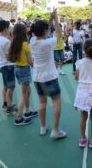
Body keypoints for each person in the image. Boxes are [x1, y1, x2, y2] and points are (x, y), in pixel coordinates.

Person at [30, 9, 67, 139]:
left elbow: (44, 30)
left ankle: (43, 126)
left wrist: (50, 19)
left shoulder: (33, 41)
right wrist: (56, 19)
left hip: (37, 77)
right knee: (56, 102)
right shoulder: (48, 43)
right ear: (45, 31)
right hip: (49, 77)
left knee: (42, 102)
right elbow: (59, 33)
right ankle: (56, 130)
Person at [8, 24, 38, 125]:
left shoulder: (14, 43)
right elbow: (30, 61)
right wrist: (37, 68)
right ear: (23, 31)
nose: (27, 29)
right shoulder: (25, 44)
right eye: (26, 29)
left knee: (27, 91)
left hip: (17, 68)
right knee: (24, 94)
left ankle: (28, 111)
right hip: (24, 69)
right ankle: (19, 118)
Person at [0, 20, 17, 115]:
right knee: (10, 87)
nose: (10, 29)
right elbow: (9, 56)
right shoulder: (6, 41)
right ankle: (9, 107)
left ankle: (6, 103)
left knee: (5, 86)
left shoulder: (0, 39)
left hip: (2, 65)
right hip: (8, 65)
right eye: (9, 28)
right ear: (5, 29)